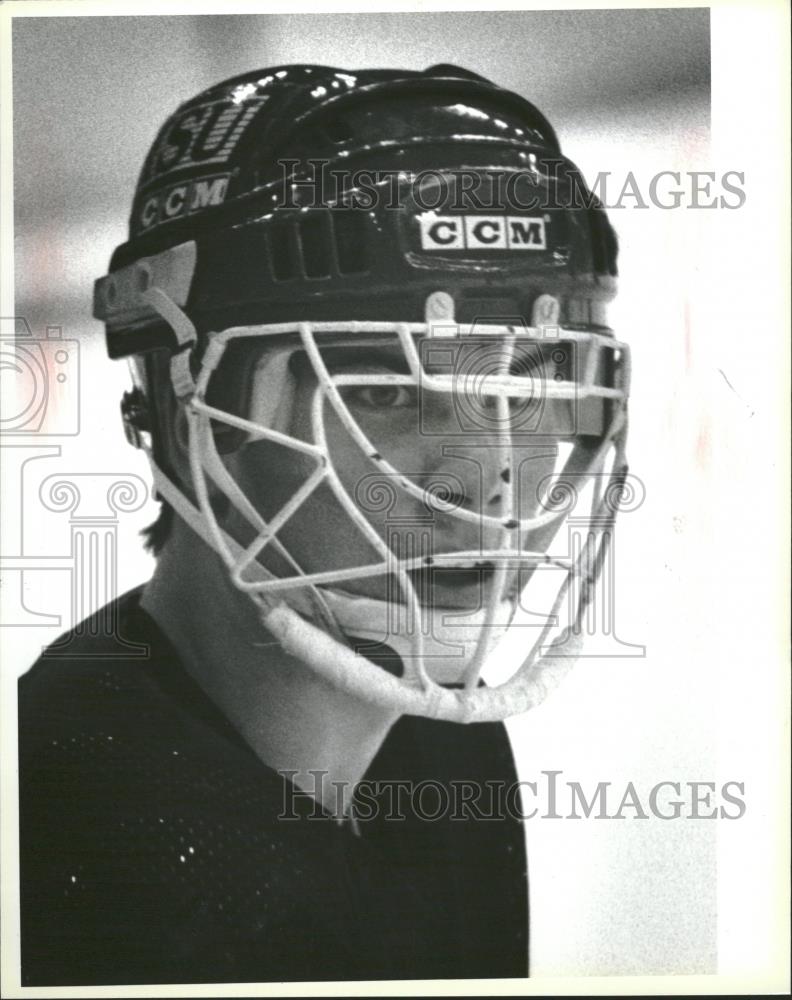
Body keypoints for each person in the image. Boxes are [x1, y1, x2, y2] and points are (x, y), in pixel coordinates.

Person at [18, 63, 628, 985]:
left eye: (527, 386)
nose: (492, 477)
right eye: (383, 390)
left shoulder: (444, 741)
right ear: (186, 418)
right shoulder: (54, 803)